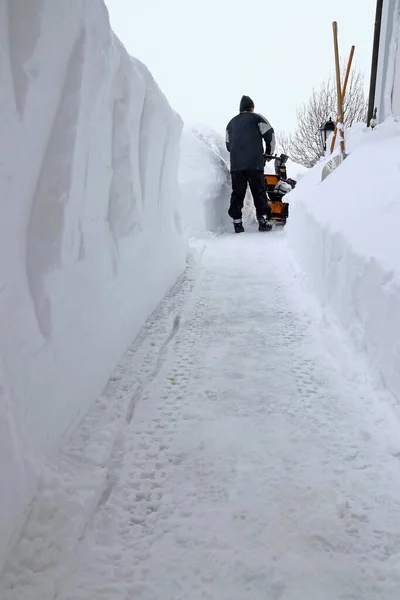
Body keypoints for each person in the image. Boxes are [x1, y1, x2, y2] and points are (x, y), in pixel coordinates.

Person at [225, 95, 276, 233]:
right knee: (258, 191)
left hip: (236, 166)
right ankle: (263, 220)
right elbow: (270, 134)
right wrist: (268, 153)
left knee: (237, 193)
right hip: (254, 164)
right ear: (251, 107)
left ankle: (237, 223)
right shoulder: (256, 118)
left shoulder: (230, 123)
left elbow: (228, 145)